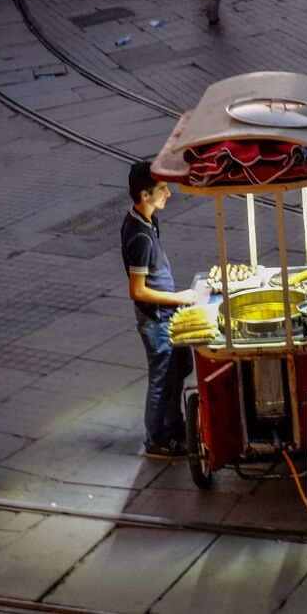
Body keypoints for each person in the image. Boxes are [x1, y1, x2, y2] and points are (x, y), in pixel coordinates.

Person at [122, 162, 195, 459]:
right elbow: (136, 290)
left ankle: (173, 424)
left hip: (167, 311)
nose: (169, 193)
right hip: (156, 318)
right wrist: (178, 298)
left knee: (181, 367)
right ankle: (156, 439)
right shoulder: (140, 235)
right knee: (161, 377)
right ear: (144, 194)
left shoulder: (148, 220)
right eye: (162, 189)